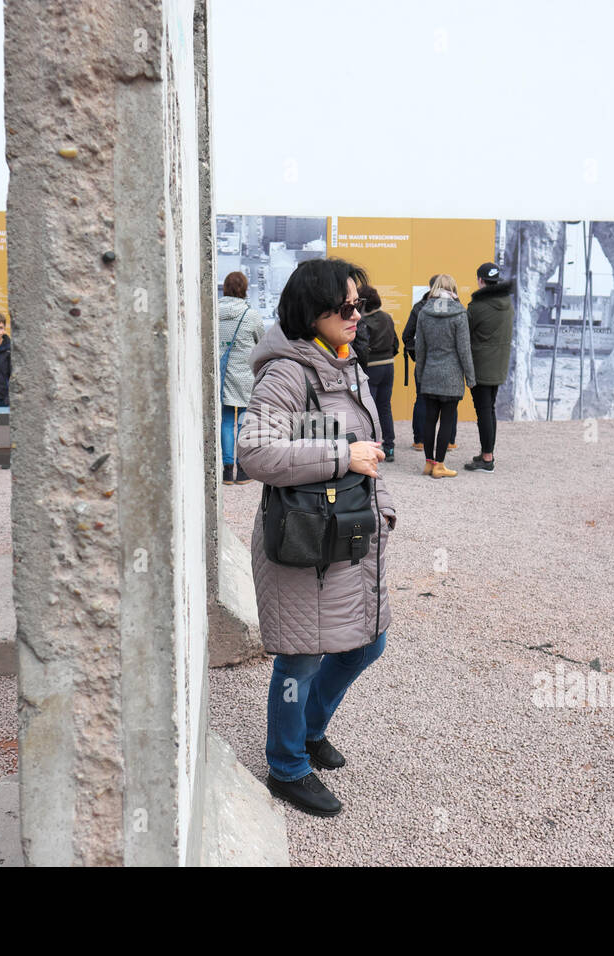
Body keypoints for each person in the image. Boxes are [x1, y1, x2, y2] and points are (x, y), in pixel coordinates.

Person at [237, 257, 396, 818]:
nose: (359, 314)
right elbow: (253, 452)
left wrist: (384, 509)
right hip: (303, 540)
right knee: (301, 657)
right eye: (346, 305)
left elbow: (370, 455)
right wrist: (340, 455)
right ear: (313, 310)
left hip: (346, 534)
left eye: (362, 301)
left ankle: (308, 729)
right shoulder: (288, 373)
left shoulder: (344, 365)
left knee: (367, 643)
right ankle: (286, 766)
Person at [415, 274, 475, 478]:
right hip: (452, 376)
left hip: (430, 373)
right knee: (447, 420)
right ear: (453, 289)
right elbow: (464, 350)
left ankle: (428, 463)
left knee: (429, 419)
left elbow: (420, 349)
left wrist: (420, 375)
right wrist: (470, 377)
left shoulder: (424, 313)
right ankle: (440, 465)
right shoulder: (460, 314)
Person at [464, 262, 513, 472]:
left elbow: (464, 333)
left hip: (481, 366)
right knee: (489, 410)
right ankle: (488, 453)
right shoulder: (507, 303)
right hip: (499, 365)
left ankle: (486, 458)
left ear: (480, 280)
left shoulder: (477, 307)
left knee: (483, 411)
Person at [217, 270, 263, 484]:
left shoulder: (214, 311)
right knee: (244, 421)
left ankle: (227, 471)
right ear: (244, 289)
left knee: (227, 420)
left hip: (223, 374)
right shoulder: (250, 315)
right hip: (245, 374)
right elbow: (261, 342)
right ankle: (243, 470)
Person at [403, 276, 456, 450]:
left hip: (425, 363)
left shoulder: (420, 308)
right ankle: (448, 441)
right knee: (450, 402)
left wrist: (418, 355)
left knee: (422, 400)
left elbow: (407, 336)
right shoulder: (457, 308)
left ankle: (420, 441)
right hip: (449, 363)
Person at [357, 283, 398, 461]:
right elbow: (396, 343)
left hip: (371, 368)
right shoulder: (387, 317)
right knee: (384, 406)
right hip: (388, 365)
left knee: (369, 409)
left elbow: (362, 347)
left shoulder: (363, 322)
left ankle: (371, 446)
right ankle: (389, 447)